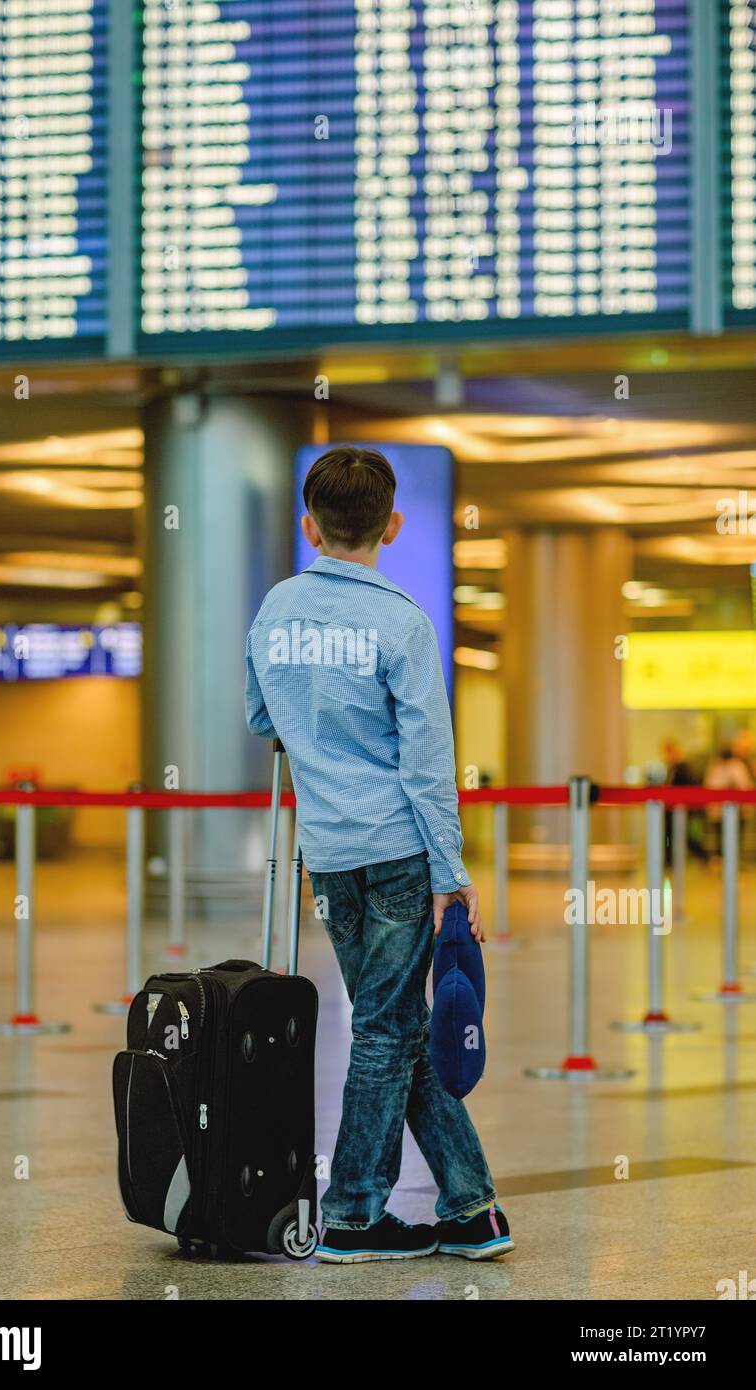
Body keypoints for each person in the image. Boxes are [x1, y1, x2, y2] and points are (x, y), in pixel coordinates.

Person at [245, 446, 511, 1265]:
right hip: (397, 850)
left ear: (308, 525)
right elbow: (427, 766)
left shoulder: (276, 612)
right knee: (388, 1032)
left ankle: (471, 1209)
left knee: (394, 1026)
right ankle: (355, 1213)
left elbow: (262, 720)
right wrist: (452, 874)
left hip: (328, 852)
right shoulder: (401, 621)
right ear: (391, 526)